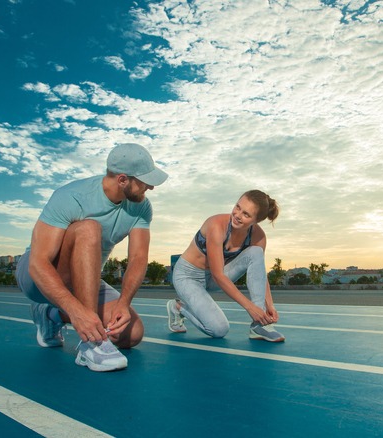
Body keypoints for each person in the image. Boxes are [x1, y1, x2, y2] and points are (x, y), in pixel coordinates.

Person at [16, 143, 167, 372]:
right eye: (144, 181)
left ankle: (50, 314)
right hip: (37, 276)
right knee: (89, 228)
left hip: (85, 278)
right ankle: (91, 345)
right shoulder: (72, 196)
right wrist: (78, 313)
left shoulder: (141, 207)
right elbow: (39, 264)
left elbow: (137, 258)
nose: (151, 188)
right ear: (123, 180)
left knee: (132, 333)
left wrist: (124, 304)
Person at [167, 190, 285, 342]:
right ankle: (178, 307)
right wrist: (250, 307)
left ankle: (259, 326)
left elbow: (260, 273)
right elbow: (218, 274)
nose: (237, 215)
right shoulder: (216, 225)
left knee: (256, 253)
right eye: (237, 207)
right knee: (219, 329)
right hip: (188, 277)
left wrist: (269, 306)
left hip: (214, 278)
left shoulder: (258, 236)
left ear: (256, 221)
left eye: (246, 214)